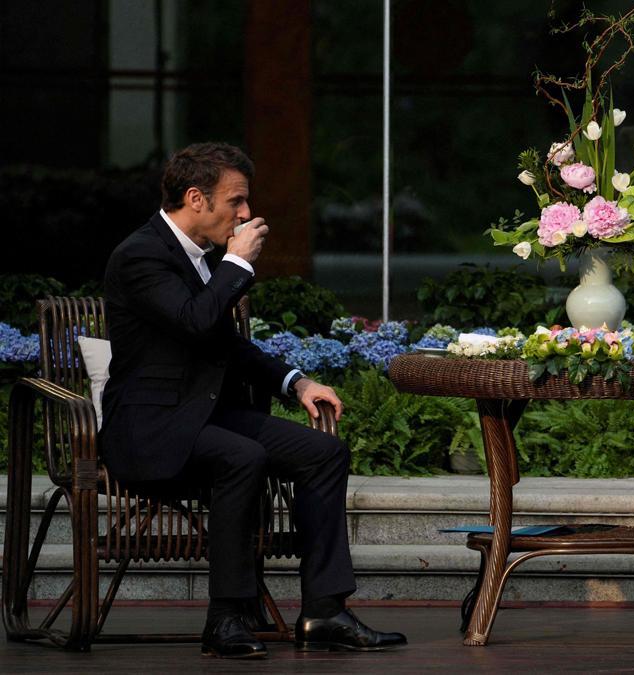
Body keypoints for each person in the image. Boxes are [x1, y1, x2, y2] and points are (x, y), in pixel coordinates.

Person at [101, 142, 406, 659]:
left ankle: (325, 612)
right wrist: (237, 264)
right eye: (236, 201)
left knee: (324, 452)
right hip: (149, 430)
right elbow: (196, 323)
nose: (246, 213)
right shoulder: (140, 255)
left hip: (204, 420)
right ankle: (226, 617)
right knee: (242, 456)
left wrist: (297, 382)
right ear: (196, 198)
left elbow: (225, 345)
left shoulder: (203, 260)